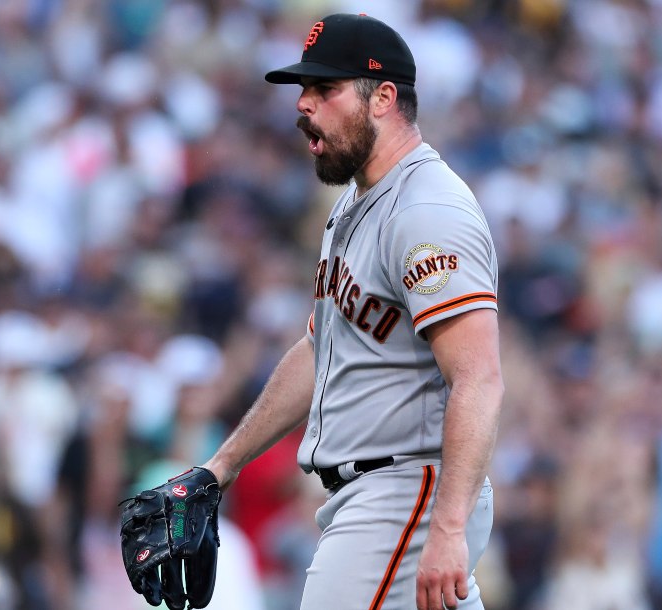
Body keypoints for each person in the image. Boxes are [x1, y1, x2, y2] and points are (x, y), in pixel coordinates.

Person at [201, 13, 503, 610]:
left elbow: (479, 377)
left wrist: (444, 529)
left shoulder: (426, 210)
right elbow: (321, 351)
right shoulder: (355, 202)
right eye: (303, 90)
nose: (304, 105)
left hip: (406, 493)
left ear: (384, 98)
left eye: (325, 89)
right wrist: (221, 467)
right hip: (375, 495)